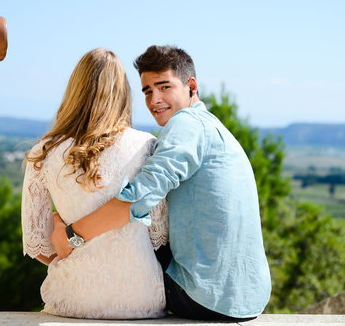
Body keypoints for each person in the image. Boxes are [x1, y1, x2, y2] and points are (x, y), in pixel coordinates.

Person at [51, 45, 272, 320]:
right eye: (147, 91)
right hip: (248, 297)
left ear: (191, 86)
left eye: (164, 87)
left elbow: (139, 197)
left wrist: (71, 236)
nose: (155, 99)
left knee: (121, 247)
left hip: (203, 297)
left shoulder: (186, 126)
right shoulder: (212, 127)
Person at [21, 48, 168, 319]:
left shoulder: (42, 153)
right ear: (123, 93)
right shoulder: (146, 147)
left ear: (75, 90)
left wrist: (72, 260)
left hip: (71, 299)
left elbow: (37, 244)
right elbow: (159, 235)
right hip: (140, 297)